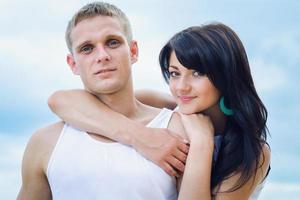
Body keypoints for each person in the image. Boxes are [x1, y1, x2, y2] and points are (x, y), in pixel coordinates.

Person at [49, 23, 271, 199]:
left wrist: (202, 142)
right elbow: (61, 100)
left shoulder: (252, 150)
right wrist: (139, 136)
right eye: (175, 73)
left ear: (225, 75)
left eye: (197, 73)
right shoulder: (168, 105)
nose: (181, 87)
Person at [17, 2, 191, 199]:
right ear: (73, 64)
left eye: (113, 42)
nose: (102, 56)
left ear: (133, 51)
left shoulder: (176, 130)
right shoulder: (45, 143)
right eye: (87, 48)